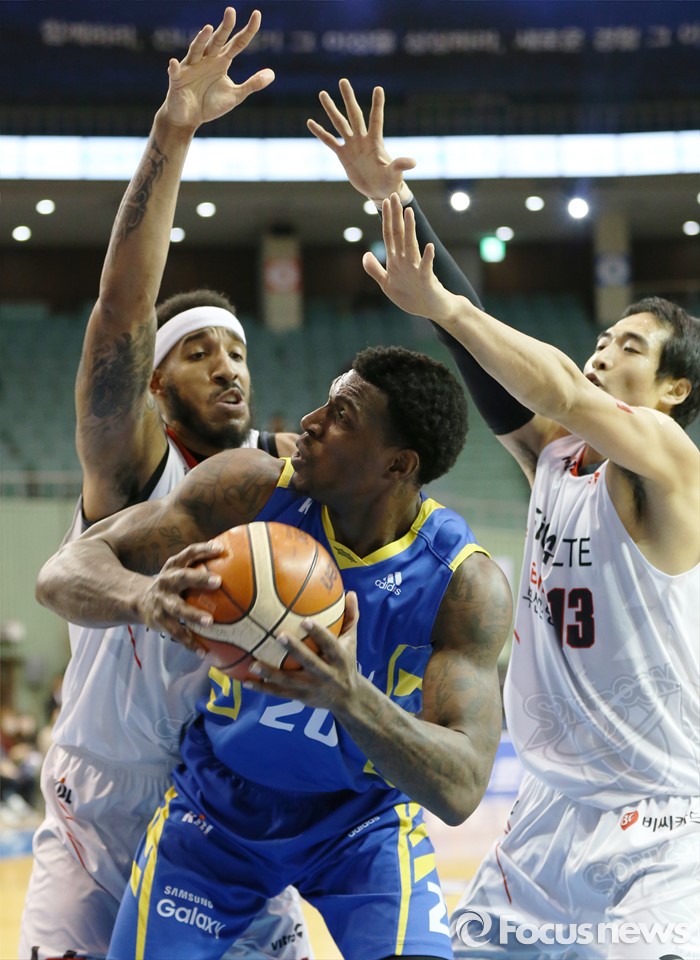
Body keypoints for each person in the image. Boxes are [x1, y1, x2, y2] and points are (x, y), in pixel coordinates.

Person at [313, 80, 700, 960]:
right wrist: (392, 197)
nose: (603, 353)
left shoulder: (673, 464)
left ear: (676, 390)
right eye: (602, 339)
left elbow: (555, 384)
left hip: (661, 825)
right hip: (548, 816)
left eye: (630, 348)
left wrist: (444, 305)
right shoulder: (557, 459)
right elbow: (483, 357)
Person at [35, 332, 513, 958]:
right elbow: (63, 571)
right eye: (326, 402)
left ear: (398, 465)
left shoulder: (462, 582)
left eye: (341, 417)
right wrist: (143, 598)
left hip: (361, 825)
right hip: (216, 815)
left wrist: (351, 698)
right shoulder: (252, 489)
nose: (309, 422)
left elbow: (463, 788)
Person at [19, 9, 308, 959]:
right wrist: (173, 132)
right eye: (198, 352)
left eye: (238, 351)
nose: (228, 367)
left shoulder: (281, 478)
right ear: (155, 383)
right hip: (102, 809)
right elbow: (119, 314)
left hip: (225, 809)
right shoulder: (137, 471)